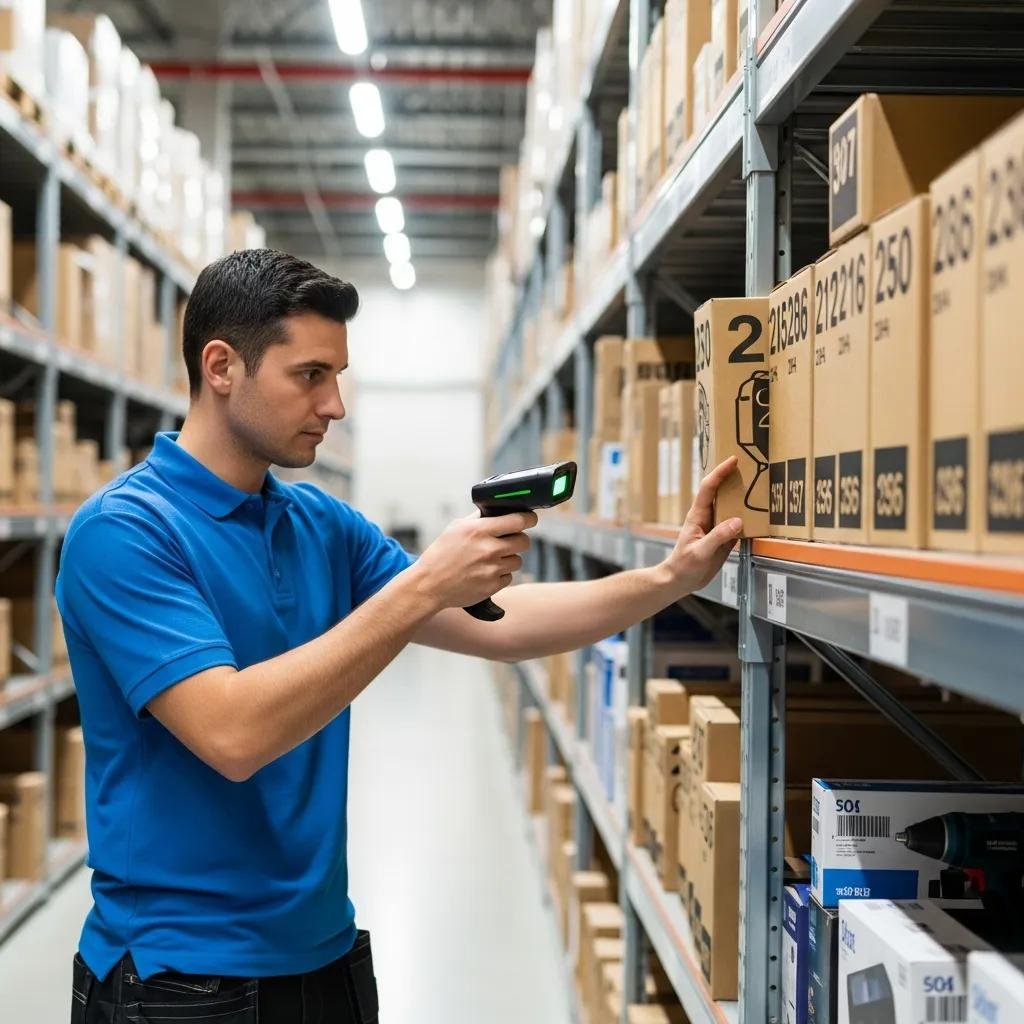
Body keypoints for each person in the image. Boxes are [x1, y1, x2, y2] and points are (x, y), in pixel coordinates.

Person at [57, 249, 742, 1023]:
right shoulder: (124, 534)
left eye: (338, 376)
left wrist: (667, 579)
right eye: (311, 375)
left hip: (326, 958)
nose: (336, 404)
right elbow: (232, 732)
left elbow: (501, 625)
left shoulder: (318, 523)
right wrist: (422, 585)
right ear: (221, 367)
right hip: (179, 981)